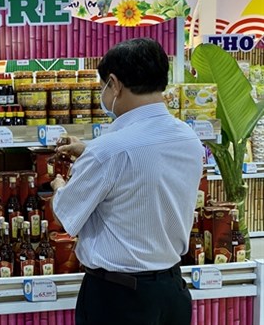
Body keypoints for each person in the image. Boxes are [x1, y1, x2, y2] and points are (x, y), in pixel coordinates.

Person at [51, 38, 204, 325]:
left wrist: (60, 186)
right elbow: (147, 172)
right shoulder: (188, 139)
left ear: (114, 84)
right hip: (172, 290)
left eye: (102, 87)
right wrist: (89, 153)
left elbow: (67, 215)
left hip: (119, 297)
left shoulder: (108, 150)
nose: (103, 93)